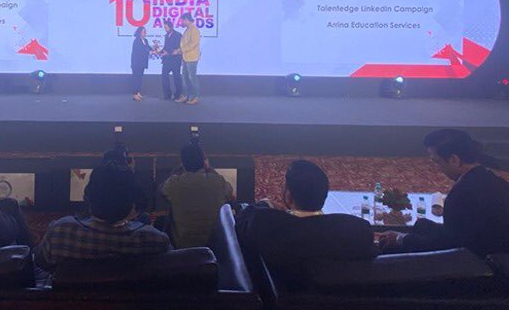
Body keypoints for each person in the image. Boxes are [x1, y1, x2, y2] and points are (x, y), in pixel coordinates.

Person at [235, 160, 375, 290]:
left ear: (289, 196)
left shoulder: (264, 224)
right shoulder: (358, 231)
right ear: (324, 197)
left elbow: (241, 218)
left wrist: (265, 203)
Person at [378, 129, 509, 256]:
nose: (437, 168)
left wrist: (400, 239)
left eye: (437, 161)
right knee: (422, 225)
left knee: (389, 249)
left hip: (476, 261)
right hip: (488, 245)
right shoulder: (491, 179)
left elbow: (448, 246)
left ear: (454, 160)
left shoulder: (463, 194)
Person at [36, 163, 171, 271]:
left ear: (88, 196)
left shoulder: (60, 232)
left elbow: (41, 263)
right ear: (132, 202)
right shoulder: (155, 240)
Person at [160, 143, 234, 248]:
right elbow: (230, 193)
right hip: (214, 247)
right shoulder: (218, 181)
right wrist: (209, 169)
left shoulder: (174, 183)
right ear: (203, 161)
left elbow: (161, 190)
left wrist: (177, 171)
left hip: (183, 246)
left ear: (183, 163)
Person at [177, 12, 201, 104]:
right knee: (185, 78)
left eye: (182, 21)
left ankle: (196, 97)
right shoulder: (188, 30)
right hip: (186, 57)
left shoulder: (194, 30)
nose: (181, 23)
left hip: (192, 58)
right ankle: (186, 96)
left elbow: (193, 44)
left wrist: (181, 50)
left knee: (192, 78)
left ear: (186, 20)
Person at [156, 20, 182, 101]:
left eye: (166, 28)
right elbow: (166, 47)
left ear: (171, 27)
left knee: (176, 78)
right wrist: (160, 52)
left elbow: (177, 47)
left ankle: (177, 95)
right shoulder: (166, 35)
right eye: (164, 28)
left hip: (175, 60)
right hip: (167, 60)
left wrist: (168, 52)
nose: (165, 29)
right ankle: (167, 95)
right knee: (164, 77)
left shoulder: (178, 35)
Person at [130, 26, 151, 101]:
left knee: (140, 78)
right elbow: (141, 50)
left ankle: (138, 92)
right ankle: (135, 94)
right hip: (136, 63)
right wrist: (149, 52)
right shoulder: (137, 40)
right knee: (136, 78)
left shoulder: (145, 40)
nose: (145, 33)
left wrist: (155, 50)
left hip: (142, 63)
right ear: (139, 33)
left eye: (145, 31)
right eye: (144, 31)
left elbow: (148, 47)